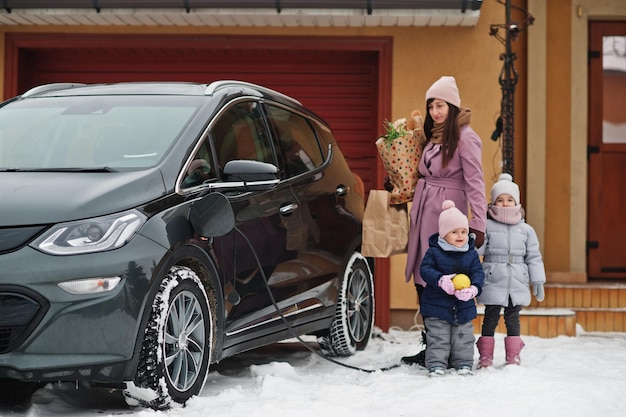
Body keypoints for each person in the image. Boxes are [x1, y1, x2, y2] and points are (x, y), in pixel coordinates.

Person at [401, 76, 487, 366]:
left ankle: (451, 350)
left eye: (440, 105)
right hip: (425, 210)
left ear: (452, 105)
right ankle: (432, 345)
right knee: (423, 276)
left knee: (442, 273)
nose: (435, 111)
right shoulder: (434, 136)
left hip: (448, 214)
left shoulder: (466, 137)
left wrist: (478, 224)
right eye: (431, 106)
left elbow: (476, 182)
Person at [476, 173, 546, 367]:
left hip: (517, 278)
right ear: (493, 202)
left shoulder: (526, 230)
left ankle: (513, 355)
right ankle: (485, 356)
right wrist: (476, 232)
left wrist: (538, 281)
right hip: (493, 277)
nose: (505, 203)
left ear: (517, 202)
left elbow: (533, 257)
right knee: (490, 317)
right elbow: (478, 251)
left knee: (512, 317)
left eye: (509, 199)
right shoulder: (487, 226)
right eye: (500, 200)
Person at [419, 200, 484, 377]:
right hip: (436, 304)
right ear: (444, 233)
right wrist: (440, 280)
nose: (460, 235)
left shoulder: (471, 253)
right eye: (454, 232)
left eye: (463, 231)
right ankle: (436, 365)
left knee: (463, 336)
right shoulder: (434, 252)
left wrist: (473, 289)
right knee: (438, 337)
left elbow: (478, 273)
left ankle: (463, 363)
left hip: (463, 305)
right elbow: (425, 270)